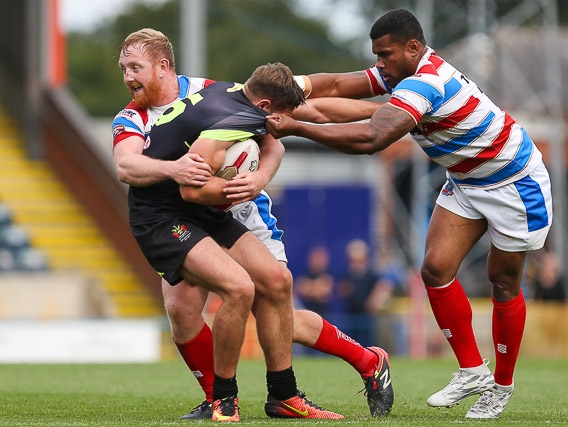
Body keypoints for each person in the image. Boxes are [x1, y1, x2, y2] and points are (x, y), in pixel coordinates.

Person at [266, 9, 553, 419]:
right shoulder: (402, 72)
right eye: (376, 55)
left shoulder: (425, 83)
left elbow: (373, 137)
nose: (379, 63)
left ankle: (501, 387)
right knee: (435, 270)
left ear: (413, 47)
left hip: (514, 183)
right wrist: (288, 87)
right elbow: (333, 86)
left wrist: (298, 128)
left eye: (385, 54)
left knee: (503, 283)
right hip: (467, 179)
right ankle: (472, 371)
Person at [112, 29, 393, 420]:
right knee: (182, 307)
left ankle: (355, 365)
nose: (128, 77)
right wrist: (176, 169)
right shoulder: (131, 116)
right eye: (124, 68)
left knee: (273, 299)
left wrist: (257, 179)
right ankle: (220, 398)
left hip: (241, 209)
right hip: (184, 210)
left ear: (163, 66)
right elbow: (126, 164)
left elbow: (284, 129)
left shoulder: (214, 91)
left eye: (135, 67)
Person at [337, 239, 393, 347]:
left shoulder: (371, 275)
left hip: (367, 316)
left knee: (367, 342)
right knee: (350, 342)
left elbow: (385, 286)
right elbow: (341, 291)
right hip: (351, 314)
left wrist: (374, 300)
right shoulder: (347, 275)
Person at [295, 246, 335, 317]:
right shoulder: (303, 274)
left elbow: (324, 293)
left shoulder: (330, 275)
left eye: (321, 258)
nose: (318, 261)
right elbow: (300, 289)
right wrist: (317, 287)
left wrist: (309, 288)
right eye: (316, 257)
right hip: (306, 315)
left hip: (325, 316)